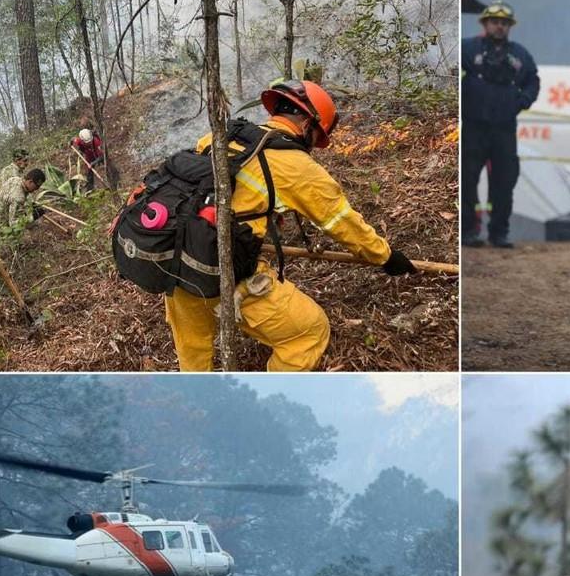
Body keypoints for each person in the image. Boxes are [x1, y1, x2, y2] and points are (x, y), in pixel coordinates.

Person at [164, 79, 416, 372]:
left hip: (174, 262)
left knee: (194, 356)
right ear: (308, 124)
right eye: (316, 136)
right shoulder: (296, 166)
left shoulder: (219, 137)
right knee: (309, 332)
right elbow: (342, 223)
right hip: (225, 274)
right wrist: (385, 256)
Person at [461, 0, 539, 248]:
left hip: (504, 129)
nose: (500, 27)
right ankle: (468, 231)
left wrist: (523, 100)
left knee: (504, 183)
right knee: (467, 181)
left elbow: (532, 81)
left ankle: (499, 232)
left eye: (504, 23)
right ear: (485, 23)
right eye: (495, 22)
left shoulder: (519, 54)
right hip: (473, 127)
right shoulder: (467, 48)